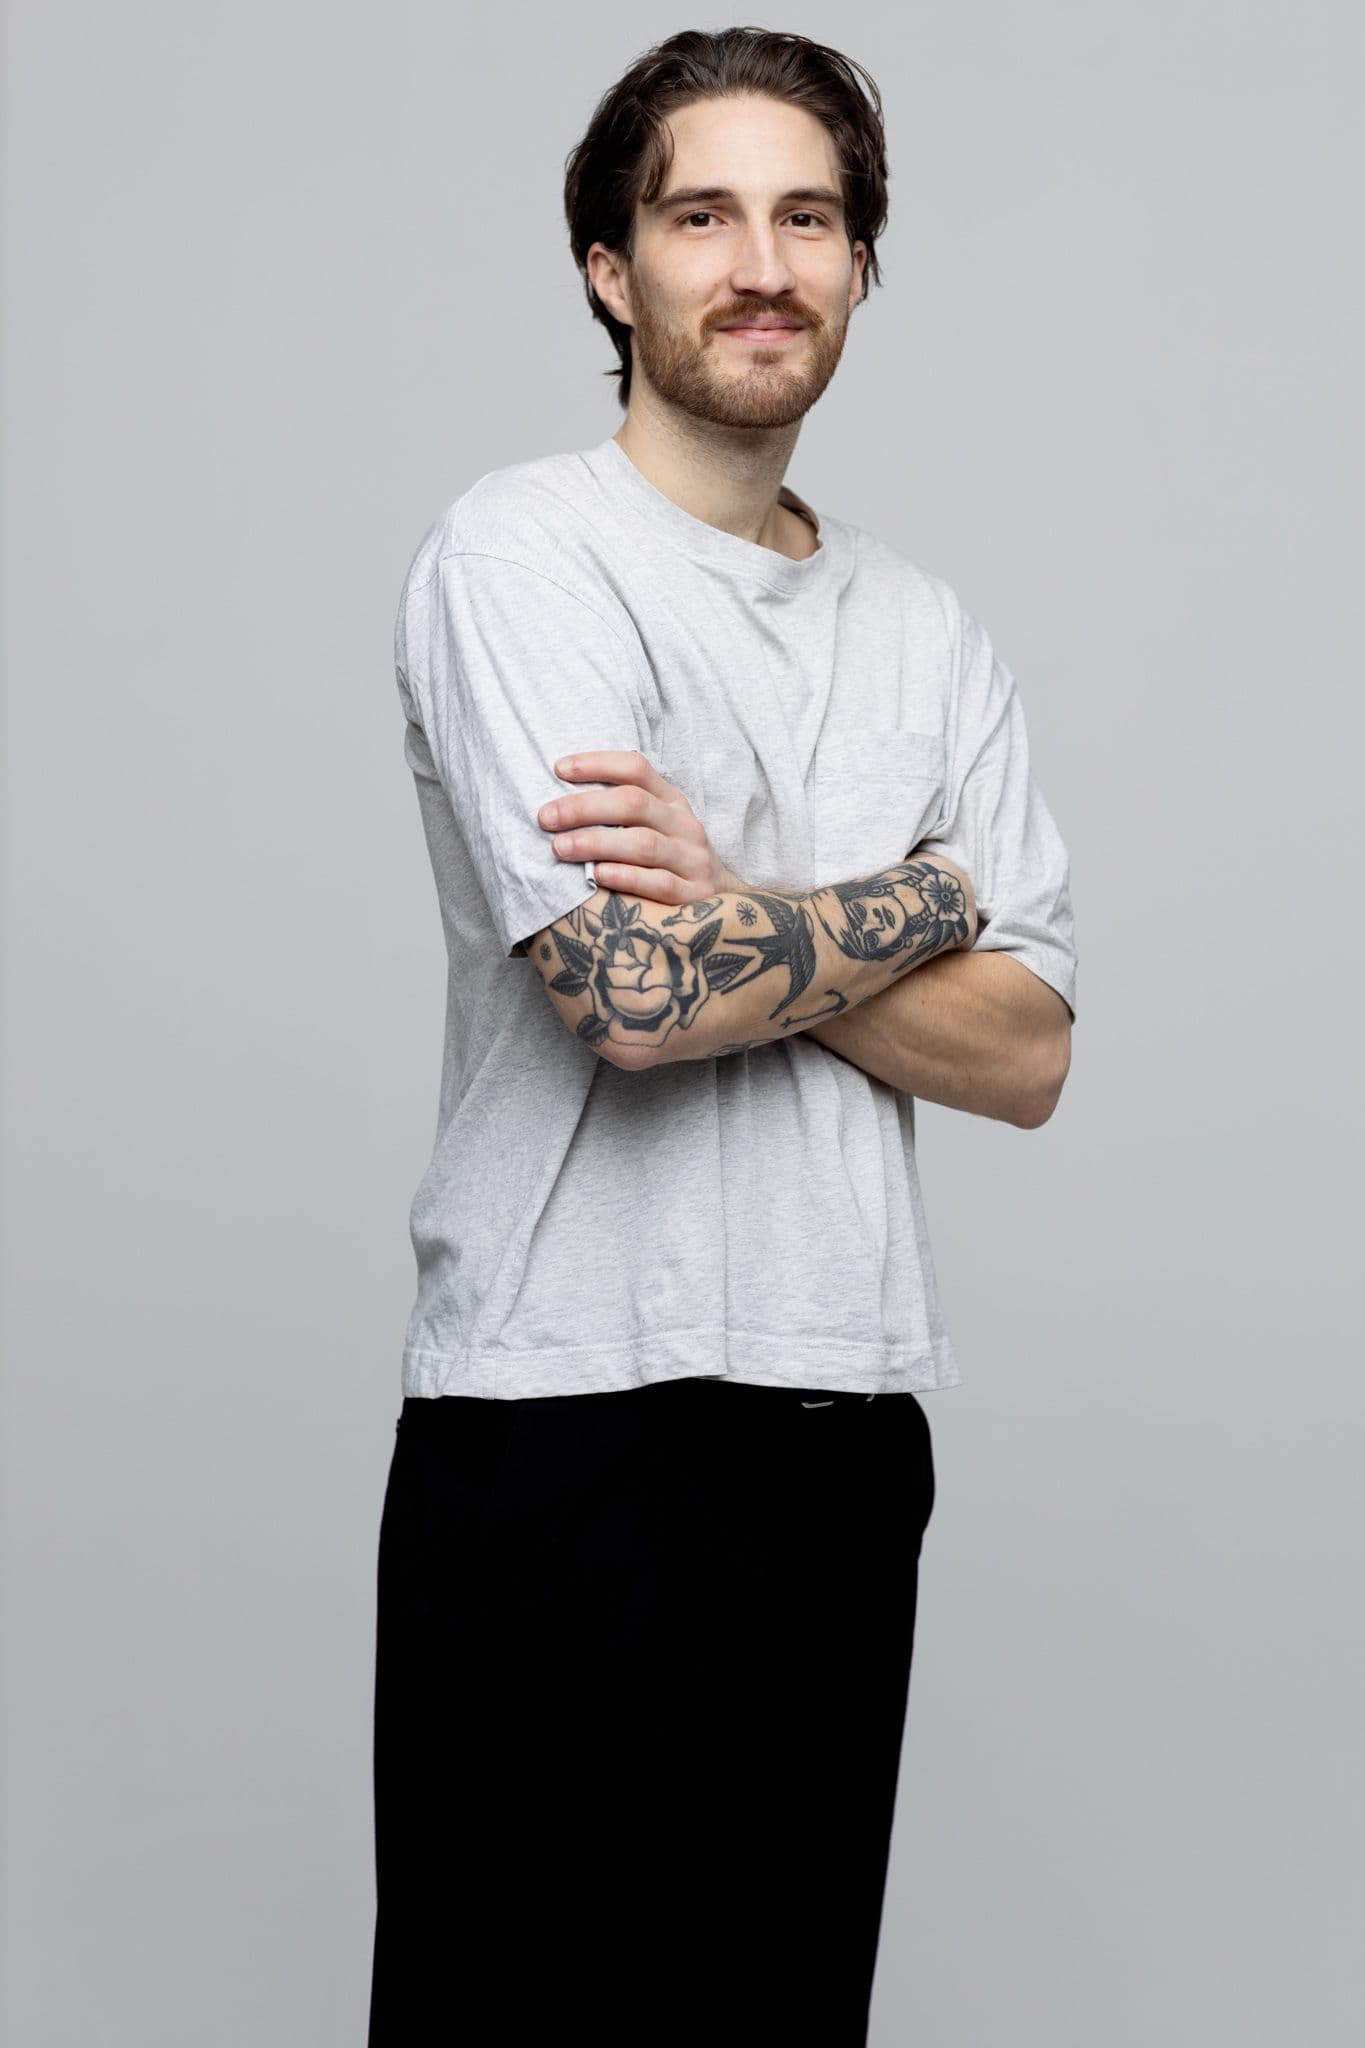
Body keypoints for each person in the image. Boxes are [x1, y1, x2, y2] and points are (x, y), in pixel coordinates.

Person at [367, 26, 1077, 2048]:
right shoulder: (524, 553)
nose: (761, 265)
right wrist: (920, 895)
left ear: (858, 265)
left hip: (841, 1424)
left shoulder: (927, 631)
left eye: (809, 219)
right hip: (561, 1413)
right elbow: (627, 994)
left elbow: (1027, 1053)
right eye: (702, 216)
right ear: (610, 268)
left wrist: (747, 902)